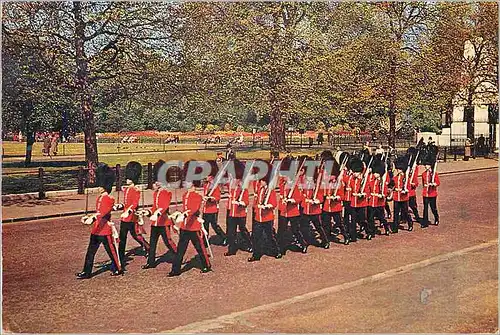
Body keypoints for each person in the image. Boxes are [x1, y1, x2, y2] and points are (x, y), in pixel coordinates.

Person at [76, 164, 122, 279]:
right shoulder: (100, 198)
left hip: (105, 230)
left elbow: (103, 213)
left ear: (105, 186)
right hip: (96, 229)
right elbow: (98, 212)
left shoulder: (109, 199)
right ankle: (86, 272)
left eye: (101, 185)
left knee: (111, 251)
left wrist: (92, 218)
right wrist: (89, 218)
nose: (99, 187)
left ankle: (118, 268)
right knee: (90, 252)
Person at [169, 161, 212, 276]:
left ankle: (206, 265)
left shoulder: (197, 196)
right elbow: (185, 209)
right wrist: (178, 214)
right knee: (180, 249)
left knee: (200, 248)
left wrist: (185, 215)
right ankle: (175, 269)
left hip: (193, 226)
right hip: (185, 226)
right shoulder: (184, 195)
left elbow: (193, 209)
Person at [140, 160, 178, 269]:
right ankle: (151, 262)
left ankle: (178, 256)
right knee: (153, 243)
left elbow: (164, 207)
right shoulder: (156, 193)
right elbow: (154, 207)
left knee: (168, 242)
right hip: (155, 222)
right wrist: (147, 212)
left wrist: (156, 213)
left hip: (164, 222)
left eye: (157, 182)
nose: (155, 184)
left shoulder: (166, 192)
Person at [115, 161, 150, 268]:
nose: (127, 179)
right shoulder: (126, 190)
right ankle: (120, 256)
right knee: (122, 237)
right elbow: (126, 203)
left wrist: (128, 211)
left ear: (133, 178)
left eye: (129, 177)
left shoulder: (135, 190)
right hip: (125, 216)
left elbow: (134, 204)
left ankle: (148, 247)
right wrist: (119, 206)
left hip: (131, 217)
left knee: (136, 235)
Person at [249, 163, 282, 261]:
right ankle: (256, 254)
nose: (260, 182)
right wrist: (256, 207)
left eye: (262, 180)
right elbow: (256, 202)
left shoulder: (270, 191)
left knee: (270, 236)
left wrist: (267, 206)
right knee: (256, 237)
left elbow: (274, 204)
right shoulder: (260, 190)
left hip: (267, 217)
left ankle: (277, 251)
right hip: (258, 217)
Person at [277, 157, 308, 254]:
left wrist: (291, 200)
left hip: (292, 210)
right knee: (281, 230)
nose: (282, 176)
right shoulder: (282, 182)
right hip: (283, 210)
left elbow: (299, 199)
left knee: (295, 230)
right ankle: (281, 248)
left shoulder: (295, 184)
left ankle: (303, 244)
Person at [224, 159, 252, 256]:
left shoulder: (243, 188)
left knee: (243, 230)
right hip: (231, 212)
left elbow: (246, 202)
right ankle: (231, 249)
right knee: (231, 232)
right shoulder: (231, 185)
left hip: (240, 213)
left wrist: (240, 203)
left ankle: (250, 244)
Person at [301, 162, 330, 249]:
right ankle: (305, 242)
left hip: (314, 209)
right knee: (304, 226)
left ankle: (325, 241)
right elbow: (301, 194)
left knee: (318, 226)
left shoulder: (317, 184)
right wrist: (305, 199)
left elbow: (320, 196)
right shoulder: (304, 183)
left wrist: (317, 201)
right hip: (306, 208)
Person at [201, 160, 227, 246]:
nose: (206, 177)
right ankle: (205, 241)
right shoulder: (206, 185)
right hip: (205, 209)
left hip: (213, 209)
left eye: (207, 175)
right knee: (205, 226)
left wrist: (210, 199)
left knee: (215, 226)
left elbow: (217, 198)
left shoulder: (215, 186)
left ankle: (224, 237)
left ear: (211, 176)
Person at [349, 157, 372, 240]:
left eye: (356, 172)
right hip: (353, 203)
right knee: (353, 220)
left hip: (362, 203)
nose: (354, 173)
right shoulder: (352, 179)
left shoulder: (364, 181)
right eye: (354, 172)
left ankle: (368, 232)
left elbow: (367, 192)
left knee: (362, 220)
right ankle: (353, 236)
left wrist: (362, 194)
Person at [367, 159, 391, 235]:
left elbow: (385, 192)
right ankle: (371, 232)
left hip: (379, 203)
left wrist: (382, 195)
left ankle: (386, 228)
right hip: (371, 203)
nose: (375, 174)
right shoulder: (371, 181)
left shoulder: (382, 183)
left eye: (377, 173)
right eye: (375, 172)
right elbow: (368, 190)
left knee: (382, 218)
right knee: (370, 218)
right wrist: (369, 196)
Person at [392, 156, 413, 233]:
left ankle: (410, 223)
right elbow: (392, 186)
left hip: (403, 198)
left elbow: (408, 187)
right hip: (396, 198)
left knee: (405, 212)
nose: (397, 170)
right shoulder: (395, 178)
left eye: (398, 169)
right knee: (396, 213)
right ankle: (395, 227)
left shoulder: (406, 178)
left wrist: (405, 190)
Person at [421, 153, 440, 227]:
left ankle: (436, 218)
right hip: (425, 193)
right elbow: (423, 183)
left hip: (432, 193)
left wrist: (433, 184)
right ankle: (425, 222)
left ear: (430, 165)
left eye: (426, 165)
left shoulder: (434, 174)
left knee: (433, 208)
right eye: (425, 165)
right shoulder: (423, 174)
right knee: (425, 208)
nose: (425, 166)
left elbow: (438, 183)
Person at [407, 147, 421, 223]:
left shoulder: (415, 167)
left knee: (412, 205)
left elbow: (415, 178)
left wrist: (414, 184)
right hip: (405, 188)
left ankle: (417, 216)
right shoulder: (407, 165)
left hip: (411, 190)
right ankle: (404, 217)